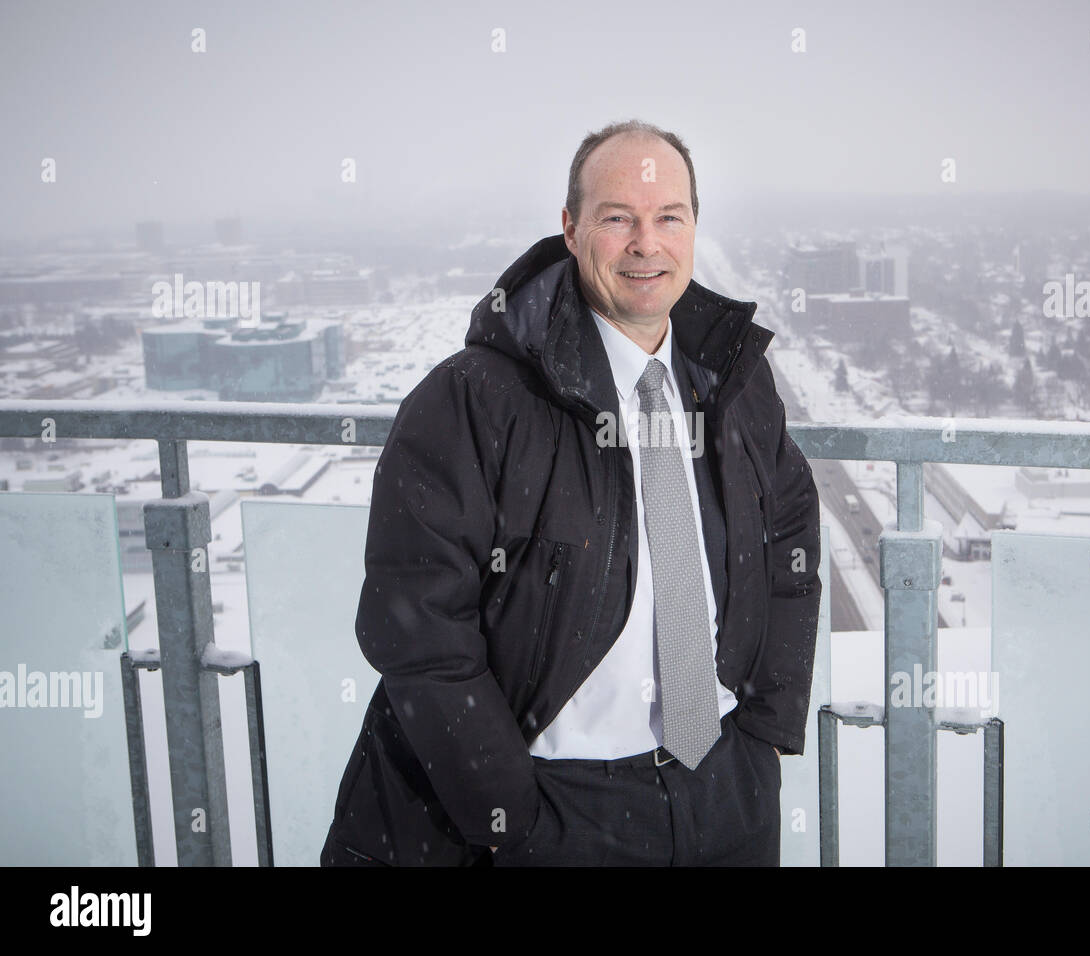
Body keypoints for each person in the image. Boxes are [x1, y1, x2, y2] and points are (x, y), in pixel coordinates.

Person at [320, 119, 821, 867]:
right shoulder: (473, 400)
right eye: (618, 218)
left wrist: (764, 732)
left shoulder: (734, 380)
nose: (645, 244)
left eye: (667, 218)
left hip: (726, 794)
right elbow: (418, 626)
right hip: (559, 809)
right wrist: (509, 812)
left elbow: (790, 529)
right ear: (570, 227)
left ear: (693, 228)